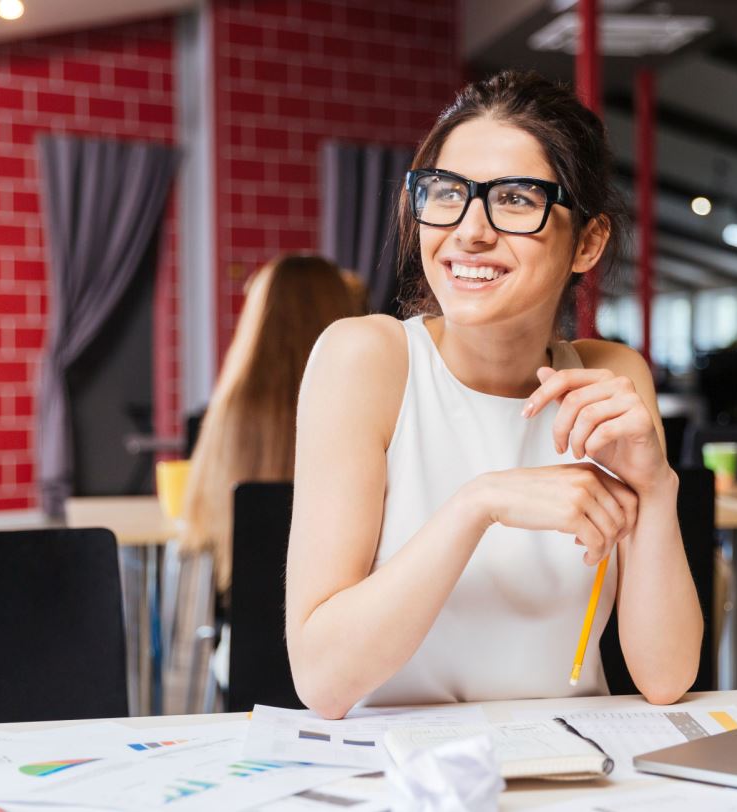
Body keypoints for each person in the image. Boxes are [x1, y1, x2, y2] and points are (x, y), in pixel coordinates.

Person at [285, 70, 703, 719]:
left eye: (513, 199)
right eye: (446, 193)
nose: (469, 231)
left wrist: (655, 487)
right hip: (398, 774)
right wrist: (480, 502)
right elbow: (322, 681)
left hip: (573, 765)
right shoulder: (365, 360)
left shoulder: (610, 378)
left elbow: (665, 677)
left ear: (587, 242)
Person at [181, 253, 365, 593]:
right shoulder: (366, 405)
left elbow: (199, 525)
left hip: (243, 632)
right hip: (344, 621)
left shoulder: (229, 409)